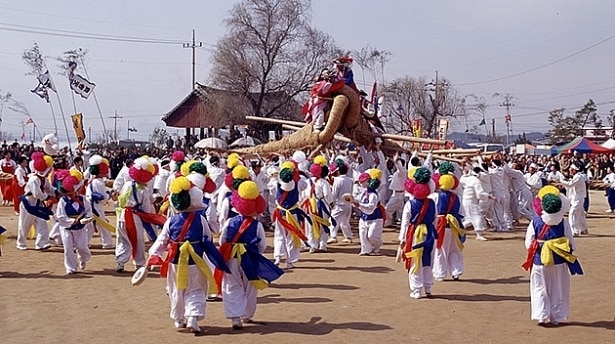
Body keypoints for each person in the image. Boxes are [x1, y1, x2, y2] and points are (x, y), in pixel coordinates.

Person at [148, 176, 228, 333]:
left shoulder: (170, 221)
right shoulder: (201, 220)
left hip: (175, 262)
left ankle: (178, 319)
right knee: (197, 289)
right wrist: (216, 259)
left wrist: (153, 256)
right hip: (196, 261)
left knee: (176, 289)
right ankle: (192, 316)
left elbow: (161, 242)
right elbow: (208, 241)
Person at [216, 181, 284, 329]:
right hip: (250, 259)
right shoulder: (257, 225)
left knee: (232, 285)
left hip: (232, 258)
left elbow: (223, 240)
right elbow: (262, 246)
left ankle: (235, 318)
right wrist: (254, 254)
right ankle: (247, 315)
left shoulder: (229, 222)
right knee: (251, 287)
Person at [522, 186, 583, 327]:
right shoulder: (563, 222)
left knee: (539, 287)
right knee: (558, 288)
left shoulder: (535, 221)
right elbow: (571, 242)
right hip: (559, 260)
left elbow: (528, 242)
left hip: (540, 260)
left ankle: (541, 315)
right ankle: (555, 316)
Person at [115, 156, 165, 272]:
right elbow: (146, 207)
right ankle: (139, 263)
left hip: (122, 214)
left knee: (122, 239)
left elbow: (121, 199)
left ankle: (120, 262)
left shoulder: (127, 184)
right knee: (138, 240)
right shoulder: (144, 190)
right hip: (134, 217)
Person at [399, 167, 437, 299]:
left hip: (415, 233)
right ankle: (427, 287)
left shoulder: (410, 204)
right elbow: (435, 220)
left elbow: (405, 222)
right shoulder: (432, 203)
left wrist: (402, 239)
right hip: (430, 233)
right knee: (428, 259)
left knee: (415, 261)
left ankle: (416, 289)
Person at [271, 159, 309, 269]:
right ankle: (290, 261)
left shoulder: (275, 183)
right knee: (292, 237)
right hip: (293, 214)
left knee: (279, 235)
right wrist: (296, 172)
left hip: (280, 213)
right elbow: (304, 184)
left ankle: (278, 257)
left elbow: (272, 190)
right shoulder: (298, 184)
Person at [431, 163, 466, 282]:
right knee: (454, 249)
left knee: (440, 249)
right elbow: (462, 213)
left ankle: (440, 273)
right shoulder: (457, 197)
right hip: (455, 225)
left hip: (441, 225)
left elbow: (433, 213)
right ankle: (456, 271)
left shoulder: (436, 197)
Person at [55, 171, 94, 274]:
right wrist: (71, 221)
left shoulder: (83, 199)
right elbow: (60, 215)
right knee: (68, 248)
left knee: (82, 247)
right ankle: (70, 267)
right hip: (66, 228)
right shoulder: (63, 201)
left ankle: (83, 258)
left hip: (80, 227)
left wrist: (87, 219)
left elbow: (88, 211)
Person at [16, 152, 54, 250]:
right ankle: (21, 243)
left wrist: (59, 191)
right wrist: (46, 197)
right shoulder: (33, 179)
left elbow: (50, 189)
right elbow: (37, 193)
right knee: (25, 224)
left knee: (42, 222)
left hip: (38, 203)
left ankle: (42, 243)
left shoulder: (44, 179)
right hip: (29, 202)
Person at [305, 156, 335, 252]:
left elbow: (303, 195)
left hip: (310, 205)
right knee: (323, 225)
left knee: (311, 226)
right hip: (321, 205)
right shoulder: (323, 182)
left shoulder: (306, 182)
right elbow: (327, 195)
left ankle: (313, 245)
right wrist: (331, 203)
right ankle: (322, 245)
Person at [352, 169, 385, 256]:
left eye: (363, 182)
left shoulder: (373, 195)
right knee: (363, 234)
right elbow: (358, 200)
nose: (361, 183)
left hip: (375, 217)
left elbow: (371, 207)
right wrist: (351, 200)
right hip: (364, 216)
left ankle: (377, 245)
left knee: (372, 235)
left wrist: (359, 205)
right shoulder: (364, 192)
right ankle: (366, 249)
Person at [329, 158, 354, 243]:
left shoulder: (338, 181)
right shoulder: (350, 180)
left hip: (339, 204)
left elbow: (334, 193)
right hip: (348, 204)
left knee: (332, 220)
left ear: (338, 171)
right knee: (345, 222)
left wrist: (331, 202)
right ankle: (348, 236)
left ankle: (333, 236)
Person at [560, 164, 588, 236]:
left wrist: (561, 181)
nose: (569, 171)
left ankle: (574, 231)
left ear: (574, 170)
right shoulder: (575, 177)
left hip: (578, 198)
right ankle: (583, 229)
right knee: (580, 214)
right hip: (576, 198)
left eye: (571, 170)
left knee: (573, 213)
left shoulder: (578, 177)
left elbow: (570, 185)